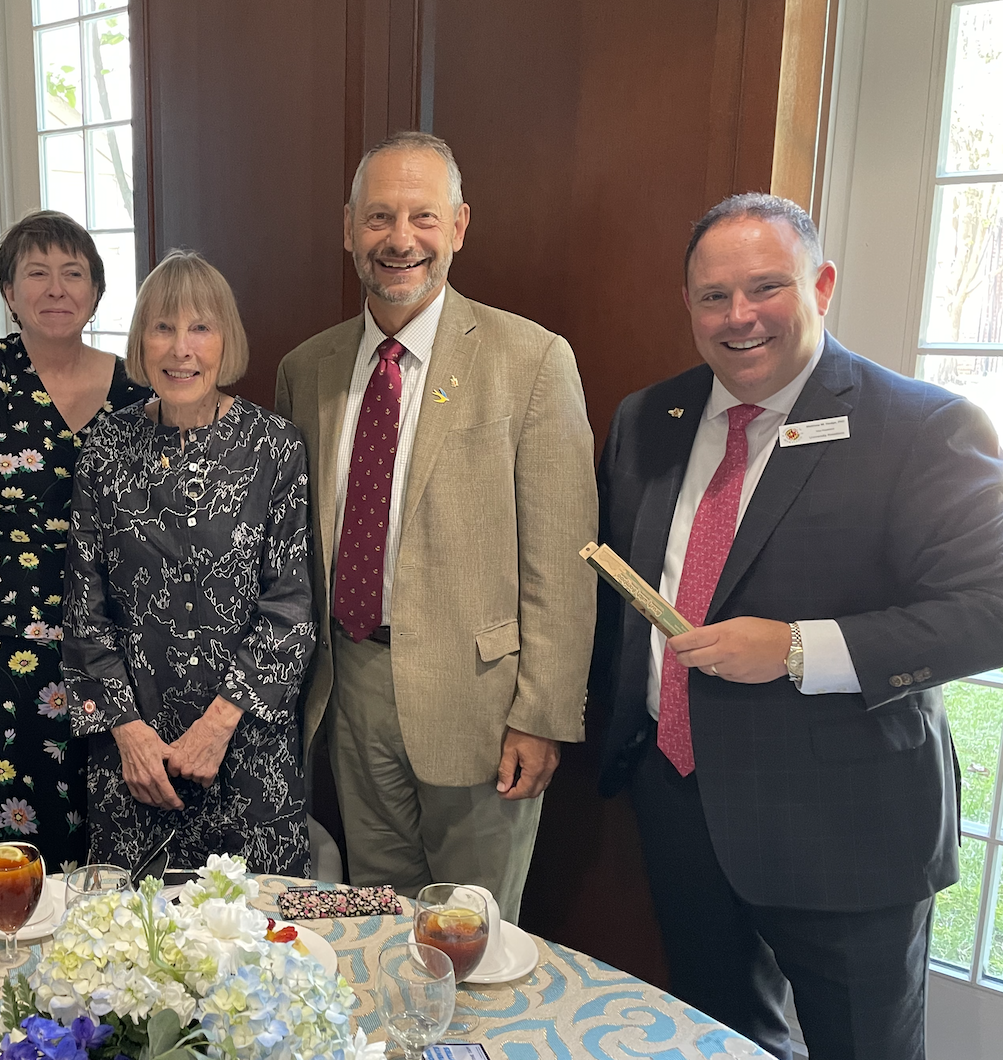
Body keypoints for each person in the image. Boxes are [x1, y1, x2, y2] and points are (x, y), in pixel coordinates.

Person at [592, 193, 1003, 1060]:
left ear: (820, 284)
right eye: (714, 295)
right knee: (719, 1041)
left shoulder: (922, 429)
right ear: (689, 305)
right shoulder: (646, 420)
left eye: (765, 288)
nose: (739, 316)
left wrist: (795, 648)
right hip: (682, 807)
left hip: (846, 831)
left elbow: (989, 608)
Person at [273, 131, 595, 916]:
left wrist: (544, 714)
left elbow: (564, 554)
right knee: (381, 922)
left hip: (483, 707)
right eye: (379, 217)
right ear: (349, 228)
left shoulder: (532, 360)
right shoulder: (304, 369)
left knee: (470, 935)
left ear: (458, 227)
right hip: (348, 690)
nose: (400, 238)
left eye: (423, 215)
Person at [0, 211, 147, 872]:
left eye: (73, 273)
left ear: (96, 290)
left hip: (105, 642)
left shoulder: (137, 389)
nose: (55, 288)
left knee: (99, 811)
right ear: (8, 292)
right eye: (35, 273)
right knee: (1, 816)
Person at [63, 249, 315, 875]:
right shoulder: (105, 444)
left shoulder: (273, 447)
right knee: (132, 953)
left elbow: (290, 608)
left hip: (246, 750)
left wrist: (218, 726)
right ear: (140, 341)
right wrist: (126, 730)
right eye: (163, 328)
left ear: (225, 340)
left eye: (200, 327)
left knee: (256, 952)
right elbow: (83, 608)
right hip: (135, 760)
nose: (182, 349)